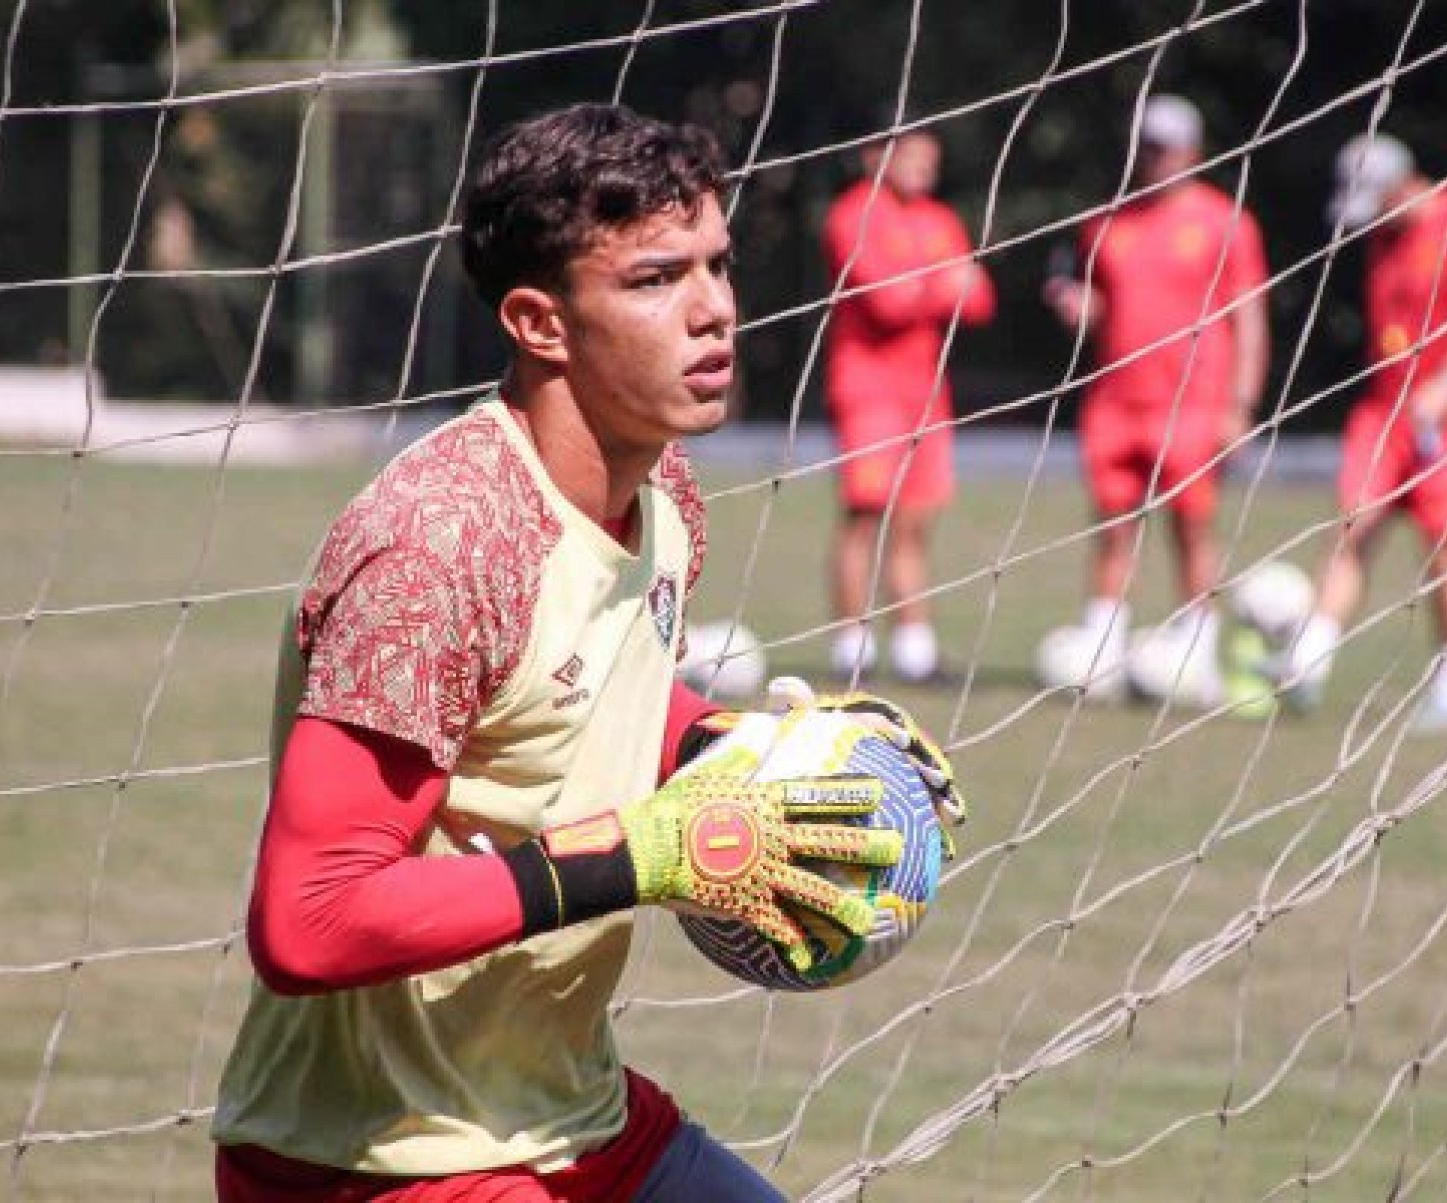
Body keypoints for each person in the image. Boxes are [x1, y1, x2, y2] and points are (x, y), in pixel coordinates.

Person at [209, 103, 964, 1203]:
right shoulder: (438, 545)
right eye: (656, 280)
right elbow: (308, 921)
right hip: (379, 1159)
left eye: (717, 264)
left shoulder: (663, 493)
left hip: (574, 1114)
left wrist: (756, 760)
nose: (714, 311)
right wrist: (640, 857)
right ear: (540, 323)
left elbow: (604, 689)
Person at [1279, 132, 1447, 732]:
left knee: (1444, 545)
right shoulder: (1382, 238)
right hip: (1388, 408)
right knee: (1355, 523)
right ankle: (1305, 664)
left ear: (1400, 185)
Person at [1042, 93, 1270, 700]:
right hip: (1116, 401)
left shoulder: (1226, 223)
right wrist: (1080, 311)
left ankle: (1199, 647)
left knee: (1192, 527)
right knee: (1112, 525)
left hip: (1193, 404)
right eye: (1146, 145)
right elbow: (1105, 308)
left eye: (1165, 146)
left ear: (1192, 152)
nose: (1154, 157)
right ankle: (1103, 648)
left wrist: (1240, 404)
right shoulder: (1106, 222)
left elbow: (1248, 316)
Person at [822, 122, 996, 684]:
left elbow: (980, 300)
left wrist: (930, 285)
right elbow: (887, 302)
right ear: (877, 156)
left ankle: (915, 651)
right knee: (865, 516)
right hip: (868, 390)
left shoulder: (939, 219)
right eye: (915, 156)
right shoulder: (852, 215)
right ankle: (852, 648)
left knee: (916, 522)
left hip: (926, 394)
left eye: (930, 157)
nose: (925, 168)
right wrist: (942, 282)